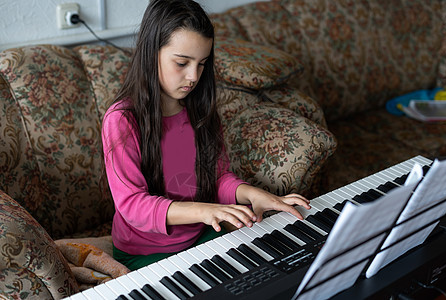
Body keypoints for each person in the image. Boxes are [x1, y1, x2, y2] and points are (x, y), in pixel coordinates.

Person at [102, 0, 311, 271]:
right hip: (143, 251)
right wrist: (206, 210)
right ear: (151, 53)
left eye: (201, 64)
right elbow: (132, 205)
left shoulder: (200, 110)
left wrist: (252, 194)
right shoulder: (122, 119)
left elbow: (219, 177)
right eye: (182, 62)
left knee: (273, 265)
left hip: (200, 235)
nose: (193, 76)